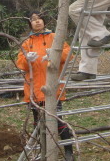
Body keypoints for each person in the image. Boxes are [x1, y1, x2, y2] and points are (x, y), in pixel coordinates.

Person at [16, 11, 74, 161]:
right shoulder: (27, 42)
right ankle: (44, 150)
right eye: (33, 19)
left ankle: (69, 151)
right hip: (34, 89)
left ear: (44, 22)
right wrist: (26, 59)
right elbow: (20, 63)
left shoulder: (54, 37)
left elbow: (68, 53)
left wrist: (54, 55)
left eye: (39, 19)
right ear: (30, 24)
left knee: (58, 120)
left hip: (53, 87)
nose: (37, 21)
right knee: (38, 123)